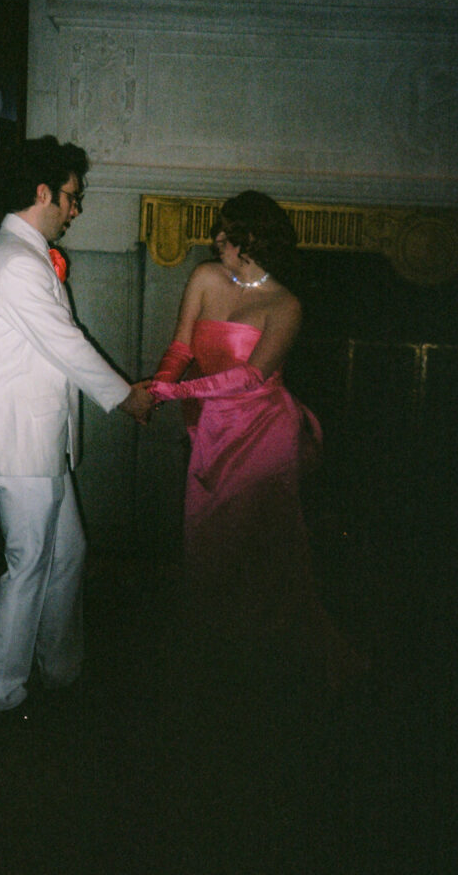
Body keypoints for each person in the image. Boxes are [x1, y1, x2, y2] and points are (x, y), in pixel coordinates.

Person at [0, 135, 153, 719]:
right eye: (72, 196)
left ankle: (61, 670)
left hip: (38, 438)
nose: (77, 208)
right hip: (19, 441)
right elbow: (67, 345)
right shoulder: (16, 262)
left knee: (67, 552)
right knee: (31, 564)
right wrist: (125, 397)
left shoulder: (26, 254)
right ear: (43, 193)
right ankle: (1, 695)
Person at [149, 190, 363, 690]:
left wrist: (173, 391)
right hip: (211, 426)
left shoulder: (285, 304)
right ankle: (218, 651)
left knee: (261, 545)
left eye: (229, 232)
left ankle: (267, 657)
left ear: (253, 240)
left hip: (263, 431)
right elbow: (181, 346)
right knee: (207, 537)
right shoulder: (206, 277)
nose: (217, 238)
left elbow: (250, 378)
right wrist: (160, 385)